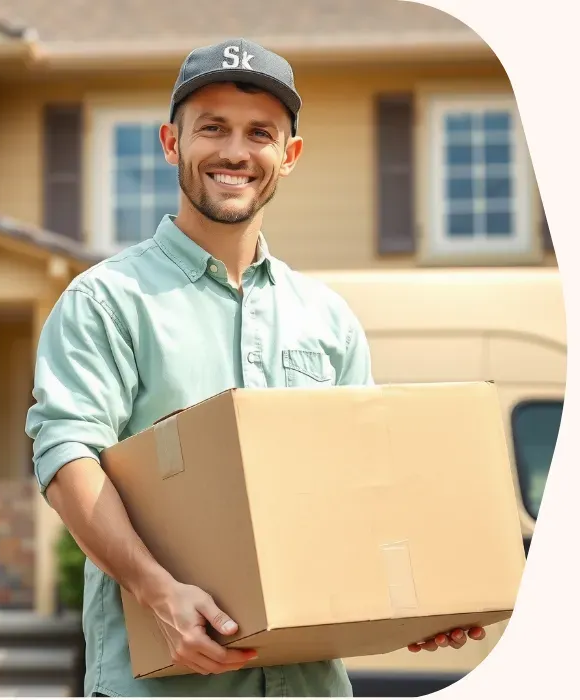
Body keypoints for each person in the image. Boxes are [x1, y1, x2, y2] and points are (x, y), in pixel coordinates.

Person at [25, 38, 486, 698]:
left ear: (288, 156)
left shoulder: (327, 318)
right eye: (211, 128)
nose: (235, 153)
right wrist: (159, 593)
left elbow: (366, 488)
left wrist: (420, 603)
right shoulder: (106, 301)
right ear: (171, 143)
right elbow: (68, 457)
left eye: (259, 134)